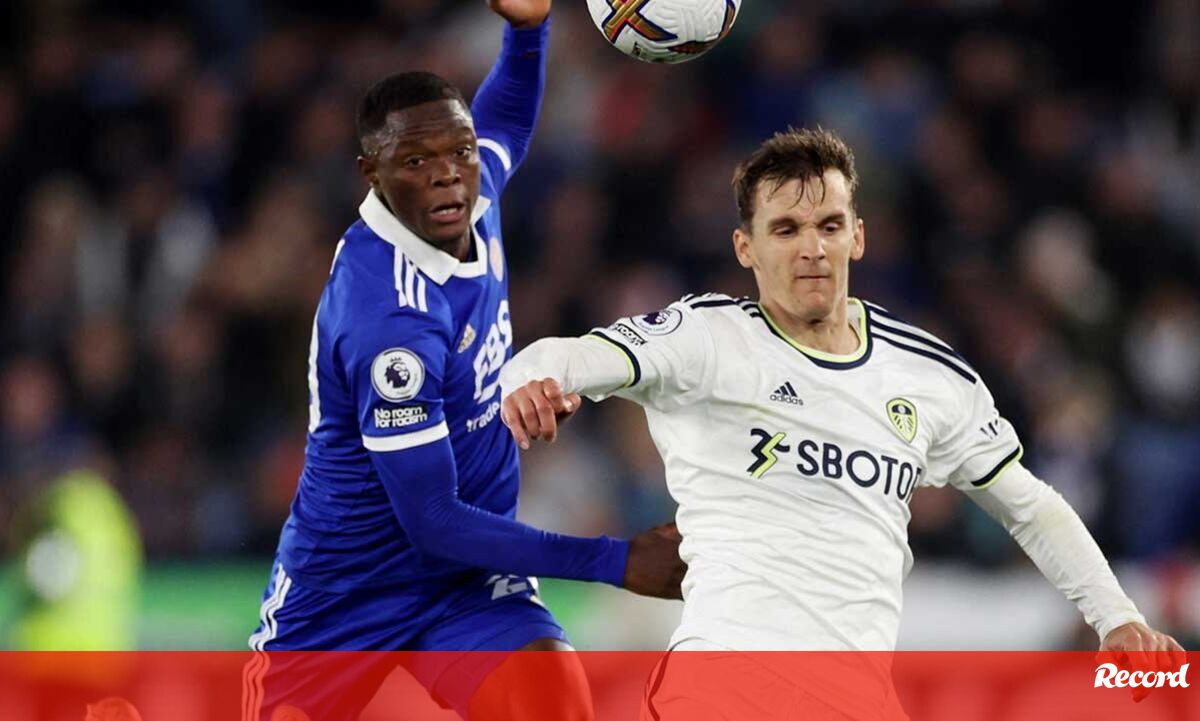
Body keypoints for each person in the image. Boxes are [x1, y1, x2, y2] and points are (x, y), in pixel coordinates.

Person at [499, 127, 1187, 720]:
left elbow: (1029, 505)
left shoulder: (929, 375)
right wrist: (532, 383)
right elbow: (572, 354)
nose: (812, 248)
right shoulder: (706, 339)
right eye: (786, 229)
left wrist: (1117, 617)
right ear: (745, 246)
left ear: (858, 236)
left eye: (829, 226)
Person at [245, 2, 683, 720]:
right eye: (416, 162)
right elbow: (432, 519)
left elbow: (506, 120)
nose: (448, 176)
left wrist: (528, 31)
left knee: (554, 707)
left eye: (459, 153)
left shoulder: (471, 198)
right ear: (372, 173)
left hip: (467, 582)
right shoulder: (389, 321)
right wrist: (614, 560)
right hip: (345, 595)